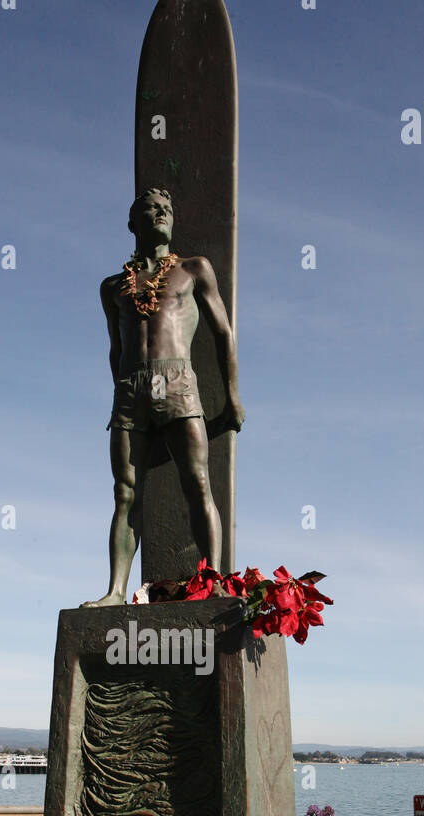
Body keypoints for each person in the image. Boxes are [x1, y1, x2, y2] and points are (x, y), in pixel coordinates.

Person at [82, 188, 245, 607]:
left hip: (178, 381)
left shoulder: (194, 270)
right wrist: (122, 397)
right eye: (151, 209)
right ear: (132, 223)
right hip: (131, 390)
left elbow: (223, 333)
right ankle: (116, 591)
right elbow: (115, 350)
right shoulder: (114, 286)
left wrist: (233, 398)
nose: (161, 214)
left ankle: (214, 583)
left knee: (197, 483)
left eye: (168, 209)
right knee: (125, 493)